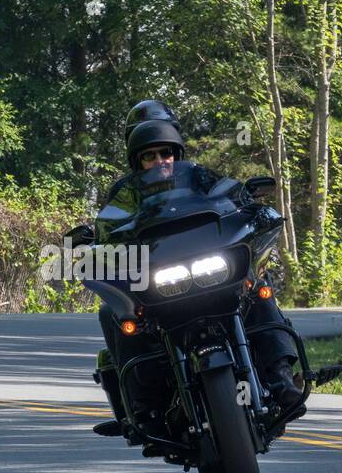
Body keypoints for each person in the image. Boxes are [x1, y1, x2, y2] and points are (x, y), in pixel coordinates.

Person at [92, 100, 304, 440]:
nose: (160, 162)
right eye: (150, 156)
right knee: (113, 313)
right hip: (159, 281)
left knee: (257, 289)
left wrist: (252, 204)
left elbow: (234, 199)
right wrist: (94, 243)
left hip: (210, 271)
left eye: (165, 153)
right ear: (138, 160)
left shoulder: (200, 177)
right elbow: (106, 229)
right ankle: (142, 408)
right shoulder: (125, 194)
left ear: (176, 152)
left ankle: (280, 378)